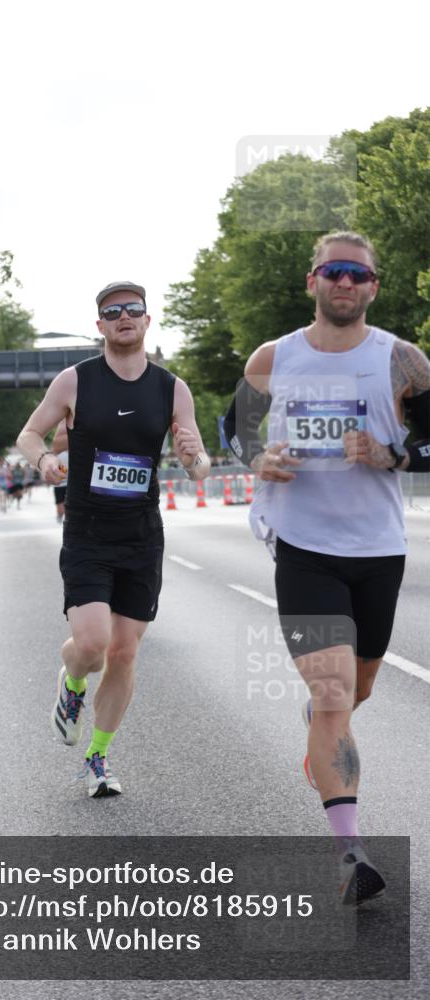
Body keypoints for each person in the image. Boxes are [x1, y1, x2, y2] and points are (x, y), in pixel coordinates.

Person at [223, 231, 430, 904]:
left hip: (377, 551)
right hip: (304, 548)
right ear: (312, 281)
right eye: (332, 272)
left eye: (357, 274)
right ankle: (350, 855)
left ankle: (319, 732)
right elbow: (236, 429)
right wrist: (257, 460)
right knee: (337, 693)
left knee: (352, 691)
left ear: (372, 287)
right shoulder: (272, 358)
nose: (344, 283)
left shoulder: (401, 361)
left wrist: (391, 457)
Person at [17, 280, 210, 797]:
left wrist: (194, 454)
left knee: (124, 653)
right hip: (88, 532)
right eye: (112, 311)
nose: (124, 317)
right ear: (100, 325)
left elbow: (199, 469)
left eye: (133, 310)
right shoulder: (74, 381)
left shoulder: (172, 388)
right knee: (92, 645)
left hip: (142, 536)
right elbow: (29, 434)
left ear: (147, 321)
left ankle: (97, 758)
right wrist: (45, 459)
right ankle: (72, 682)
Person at [51, 420, 69, 523]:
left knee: (66, 506)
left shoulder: (72, 452)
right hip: (58, 484)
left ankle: (66, 521)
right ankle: (59, 515)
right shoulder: (56, 453)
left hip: (68, 484)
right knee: (60, 507)